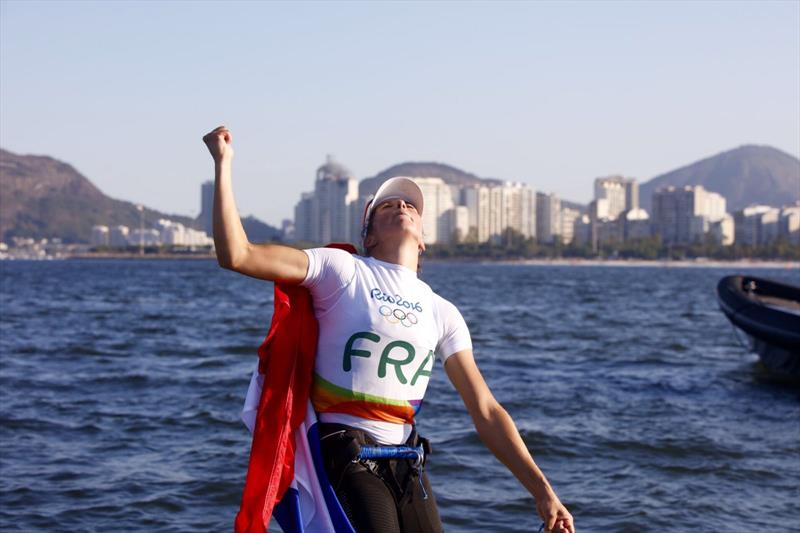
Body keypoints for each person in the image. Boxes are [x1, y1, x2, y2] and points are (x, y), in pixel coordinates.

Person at [202, 125, 575, 533]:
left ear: (423, 241)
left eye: (411, 205)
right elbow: (238, 254)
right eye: (386, 206)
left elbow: (485, 411)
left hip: (407, 462)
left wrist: (543, 492)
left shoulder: (442, 311)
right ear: (369, 235)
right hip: (347, 455)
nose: (401, 205)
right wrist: (224, 164)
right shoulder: (341, 270)